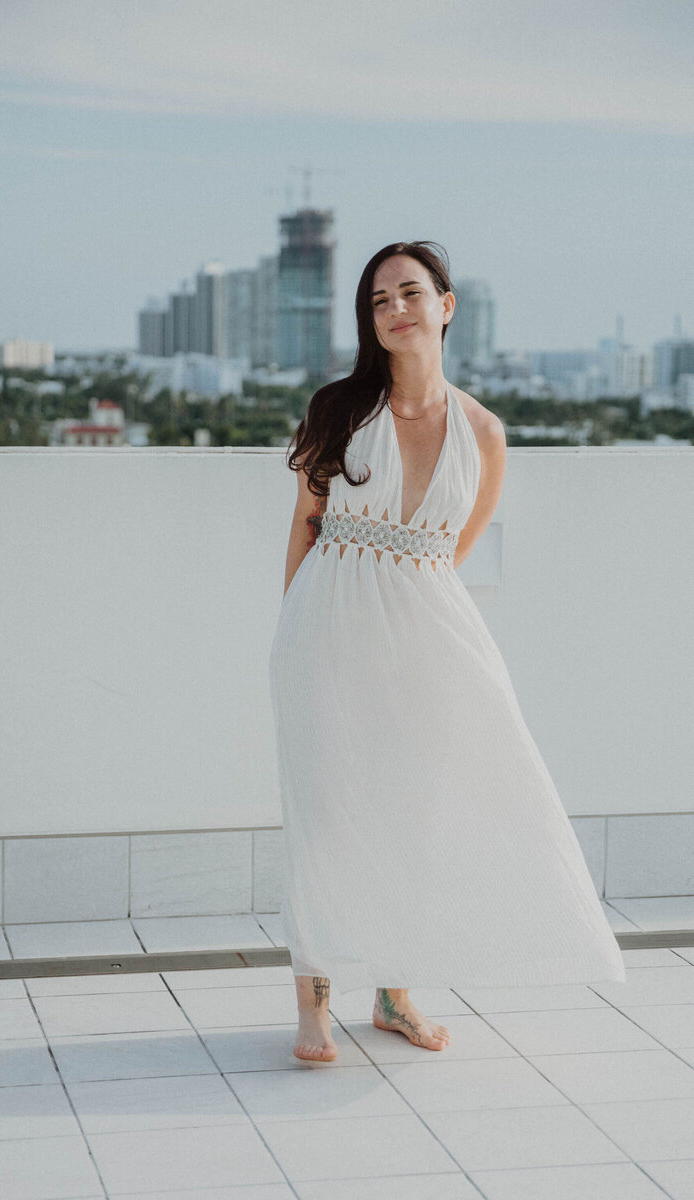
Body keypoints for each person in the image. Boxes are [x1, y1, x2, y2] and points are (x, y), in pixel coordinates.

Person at [268, 240, 626, 1065]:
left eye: (411, 293)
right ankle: (314, 1002)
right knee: (325, 816)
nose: (395, 309)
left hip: (430, 634)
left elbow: (448, 551)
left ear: (446, 305)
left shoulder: (485, 433)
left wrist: (404, 600)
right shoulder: (339, 410)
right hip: (326, 626)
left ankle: (394, 992)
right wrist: (293, 626)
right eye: (379, 299)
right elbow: (305, 521)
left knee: (415, 807)